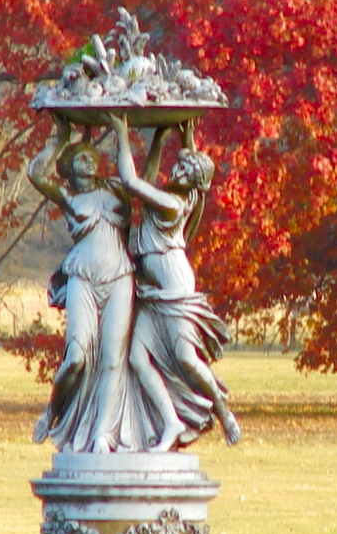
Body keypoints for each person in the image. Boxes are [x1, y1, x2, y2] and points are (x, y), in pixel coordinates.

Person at [105, 113, 241, 451]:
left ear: (193, 183)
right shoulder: (182, 192)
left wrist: (122, 132)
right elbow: (161, 176)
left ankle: (222, 410)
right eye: (179, 166)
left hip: (174, 289)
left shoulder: (172, 204)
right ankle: (171, 423)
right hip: (152, 295)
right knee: (137, 359)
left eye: (185, 172)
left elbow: (133, 182)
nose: (177, 172)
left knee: (185, 358)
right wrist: (170, 139)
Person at [26, 118, 135, 452]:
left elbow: (142, 186)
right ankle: (52, 411)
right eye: (80, 158)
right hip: (83, 279)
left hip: (119, 277)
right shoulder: (68, 197)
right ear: (69, 169)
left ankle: (104, 433)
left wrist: (123, 134)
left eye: (91, 156)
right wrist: (60, 137)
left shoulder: (116, 190)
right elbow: (35, 174)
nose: (89, 161)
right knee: (77, 356)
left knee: (114, 359)